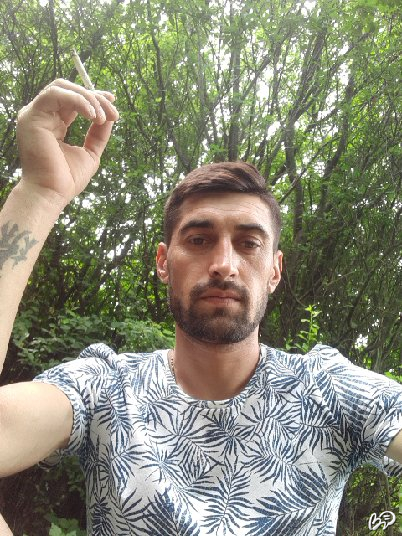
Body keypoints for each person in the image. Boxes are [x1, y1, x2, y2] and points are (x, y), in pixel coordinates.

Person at [0, 79, 401, 536]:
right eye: (198, 239)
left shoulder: (330, 390)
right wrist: (40, 192)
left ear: (275, 271)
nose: (224, 264)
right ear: (163, 262)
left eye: (248, 243)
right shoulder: (106, 390)